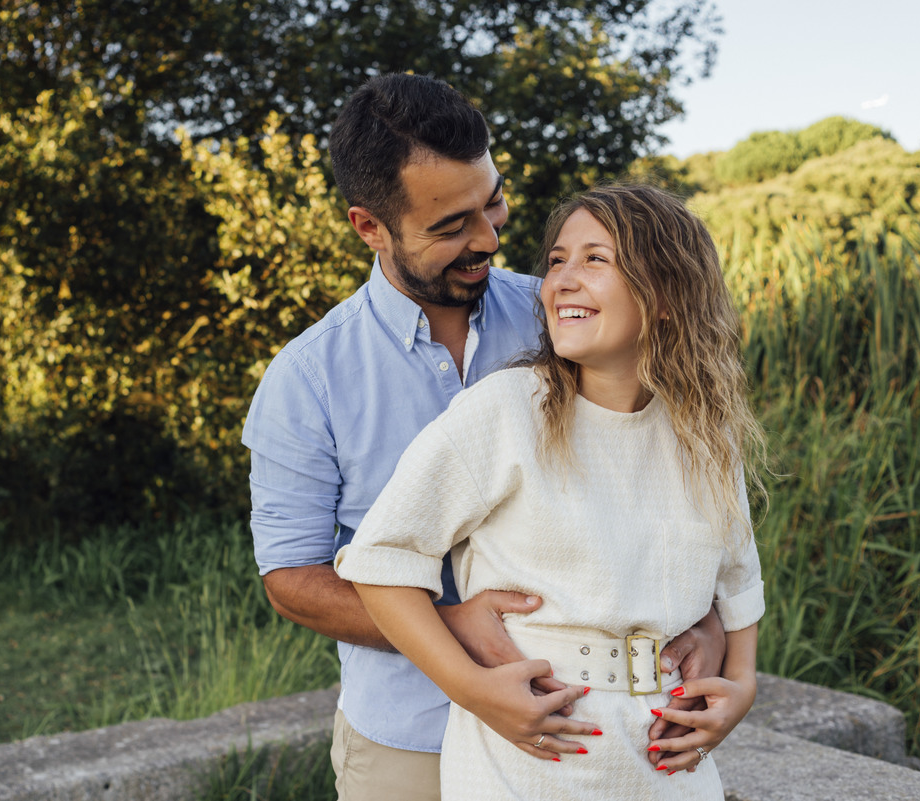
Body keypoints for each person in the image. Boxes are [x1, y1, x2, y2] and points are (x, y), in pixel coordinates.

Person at [241, 74, 727, 800]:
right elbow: (291, 579)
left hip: (585, 744)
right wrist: (453, 632)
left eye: (491, 202)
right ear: (369, 227)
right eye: (449, 227)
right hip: (408, 739)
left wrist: (707, 620)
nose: (488, 238)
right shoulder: (307, 377)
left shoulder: (566, 314)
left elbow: (659, 474)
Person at [335, 183, 766, 799]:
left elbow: (738, 581)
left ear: (667, 293)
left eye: (596, 259)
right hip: (529, 764)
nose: (561, 279)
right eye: (557, 260)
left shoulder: (704, 433)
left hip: (670, 769)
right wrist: (472, 689)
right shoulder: (506, 411)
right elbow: (381, 563)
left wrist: (742, 687)